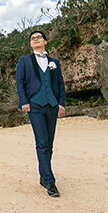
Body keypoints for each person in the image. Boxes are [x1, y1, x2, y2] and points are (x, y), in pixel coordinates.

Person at [16, 30, 66, 197]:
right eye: (32, 38)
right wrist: (24, 101)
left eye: (38, 38)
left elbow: (60, 83)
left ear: (45, 41)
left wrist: (61, 104)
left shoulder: (54, 62)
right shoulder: (24, 61)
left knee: (49, 144)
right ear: (30, 43)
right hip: (35, 105)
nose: (35, 40)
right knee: (42, 143)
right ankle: (50, 181)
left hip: (52, 105)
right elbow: (20, 82)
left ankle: (43, 176)